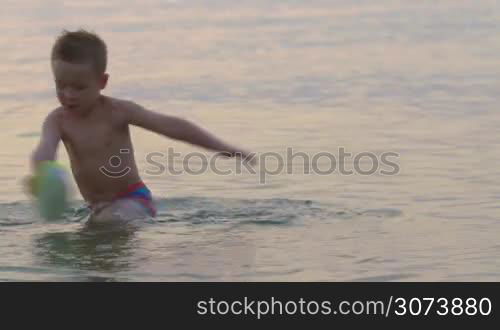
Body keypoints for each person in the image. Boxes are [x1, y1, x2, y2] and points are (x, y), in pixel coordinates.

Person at [26, 29, 255, 223]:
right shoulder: (58, 121)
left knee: (107, 223)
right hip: (96, 207)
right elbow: (45, 150)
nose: (68, 95)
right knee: (97, 238)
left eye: (78, 87)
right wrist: (41, 172)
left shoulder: (117, 112)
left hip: (134, 199)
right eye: (60, 86)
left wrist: (225, 148)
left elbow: (172, 127)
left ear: (102, 82)